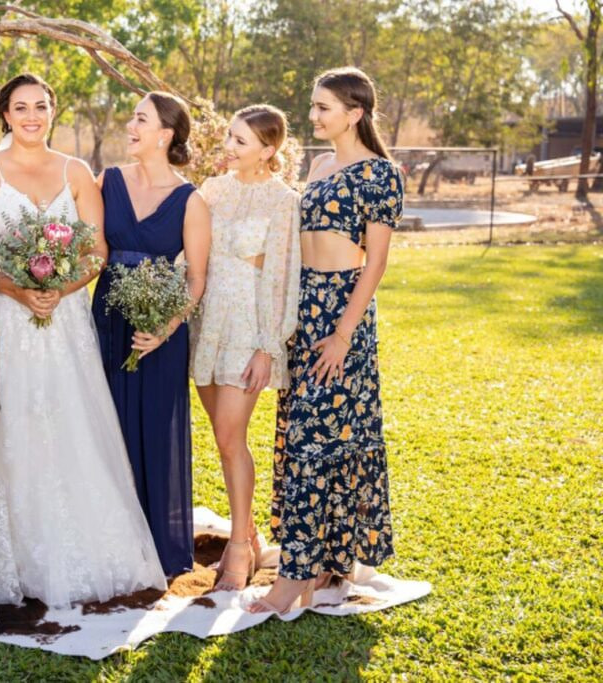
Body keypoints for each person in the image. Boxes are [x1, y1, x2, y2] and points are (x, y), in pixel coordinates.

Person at [0, 73, 166, 607]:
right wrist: (16, 289)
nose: (32, 115)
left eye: (41, 106)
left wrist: (55, 289)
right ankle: (8, 558)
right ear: (4, 114)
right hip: (2, 319)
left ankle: (89, 547)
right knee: (13, 425)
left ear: (54, 110)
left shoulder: (77, 172)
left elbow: (96, 252)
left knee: (71, 422)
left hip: (65, 320)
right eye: (21, 107)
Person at [248, 67, 403, 614]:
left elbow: (376, 262)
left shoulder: (380, 174)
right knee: (300, 434)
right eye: (313, 106)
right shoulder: (317, 165)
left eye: (323, 108)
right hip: (303, 305)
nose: (312, 117)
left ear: (355, 113)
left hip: (343, 313)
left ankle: (295, 578)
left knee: (325, 438)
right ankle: (311, 567)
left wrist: (342, 334)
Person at [90, 91, 211, 577]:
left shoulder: (191, 200)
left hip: (161, 326)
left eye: (141, 119)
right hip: (107, 317)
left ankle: (157, 545)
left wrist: (165, 327)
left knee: (155, 428)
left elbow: (196, 278)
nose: (130, 126)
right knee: (105, 424)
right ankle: (107, 540)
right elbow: (92, 249)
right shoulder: (108, 181)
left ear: (165, 134)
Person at [189, 105, 301, 590]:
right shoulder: (211, 191)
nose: (229, 147)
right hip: (207, 322)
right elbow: (192, 255)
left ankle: (239, 545)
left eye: (240, 141)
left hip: (250, 328)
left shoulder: (283, 201)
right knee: (222, 437)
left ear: (268, 150)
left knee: (233, 437)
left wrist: (267, 347)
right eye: (229, 137)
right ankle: (250, 535)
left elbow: (281, 278)